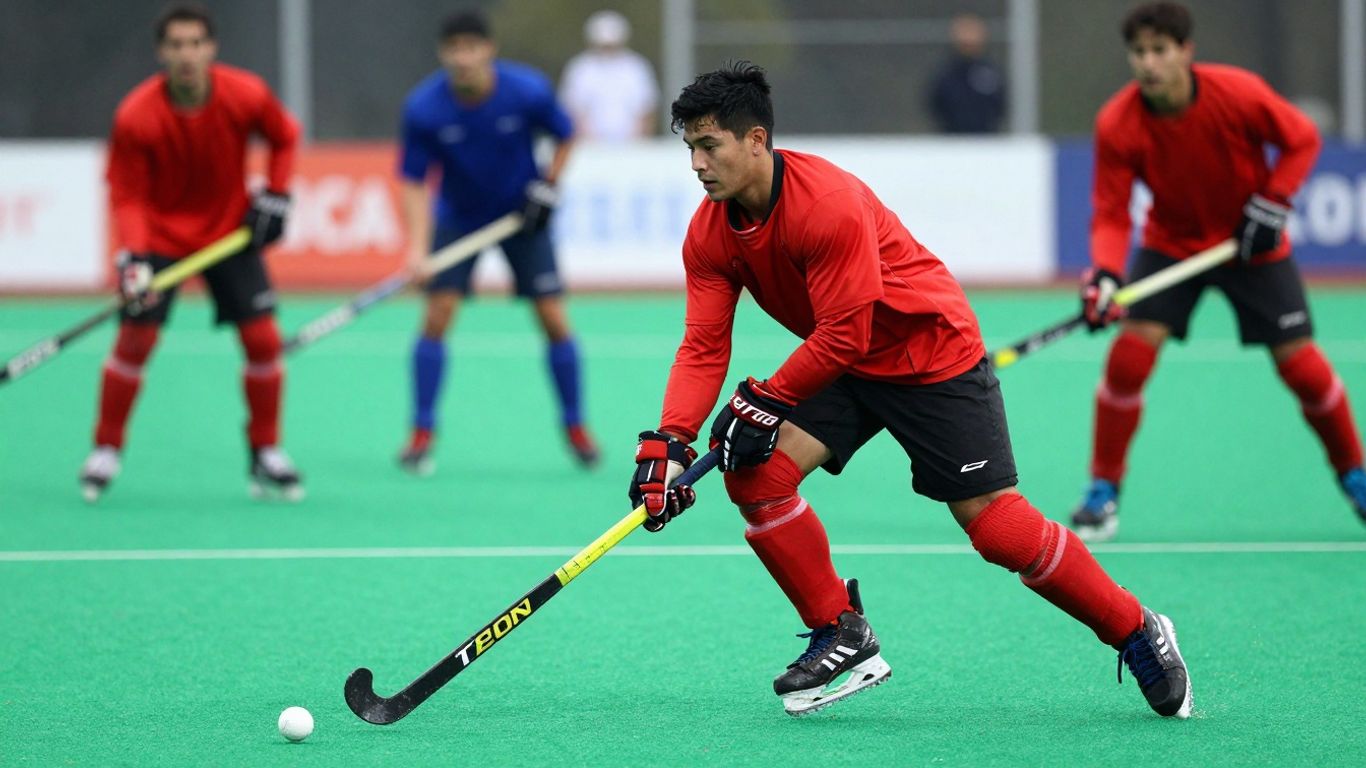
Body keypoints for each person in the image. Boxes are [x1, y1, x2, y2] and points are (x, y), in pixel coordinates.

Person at [628, 61, 1192, 719]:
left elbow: (845, 330)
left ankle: (1133, 627)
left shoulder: (826, 204)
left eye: (709, 145)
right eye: (689, 148)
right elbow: (703, 346)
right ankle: (840, 631)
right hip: (843, 360)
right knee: (756, 474)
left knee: (996, 528)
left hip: (928, 352)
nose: (696, 164)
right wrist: (670, 441)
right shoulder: (710, 232)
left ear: (756, 140)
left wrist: (767, 398)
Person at [1074, 2, 1366, 542]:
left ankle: (1356, 475)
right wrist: (1107, 275)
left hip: (1250, 243)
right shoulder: (1118, 121)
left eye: (1160, 50)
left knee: (1301, 366)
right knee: (1129, 357)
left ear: (1186, 51)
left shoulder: (1237, 92)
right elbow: (1112, 211)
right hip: (1172, 246)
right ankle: (1102, 493)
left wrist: (1274, 201)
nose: (1148, 63)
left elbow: (1301, 138)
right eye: (1139, 52)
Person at [80, 3, 302, 503]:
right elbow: (128, 194)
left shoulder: (244, 93)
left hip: (230, 235)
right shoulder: (137, 115)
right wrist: (133, 256)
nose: (187, 54)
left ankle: (265, 451)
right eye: (176, 45)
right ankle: (106, 449)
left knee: (263, 340)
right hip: (160, 240)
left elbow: (285, 136)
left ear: (211, 48)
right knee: (135, 342)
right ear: (162, 52)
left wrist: (278, 193)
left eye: (195, 43)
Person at [397, 10, 597, 475]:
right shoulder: (424, 108)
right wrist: (416, 250)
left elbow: (566, 135)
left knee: (551, 316)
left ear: (489, 49)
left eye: (472, 47)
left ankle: (576, 427)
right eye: (455, 49)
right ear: (443, 54)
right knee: (437, 314)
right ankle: (421, 432)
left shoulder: (525, 90)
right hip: (459, 219)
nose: (464, 58)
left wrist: (549, 185)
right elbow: (411, 180)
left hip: (520, 218)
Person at [558, 10, 660, 141]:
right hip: (589, 147)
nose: (607, 50)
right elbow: (573, 111)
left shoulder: (636, 68)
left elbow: (647, 111)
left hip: (632, 147)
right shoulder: (580, 69)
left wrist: (638, 143)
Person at [927, 13, 1006, 134]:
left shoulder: (990, 72)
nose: (969, 40)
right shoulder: (945, 72)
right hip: (952, 139)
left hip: (986, 139)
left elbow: (1000, 103)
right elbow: (935, 103)